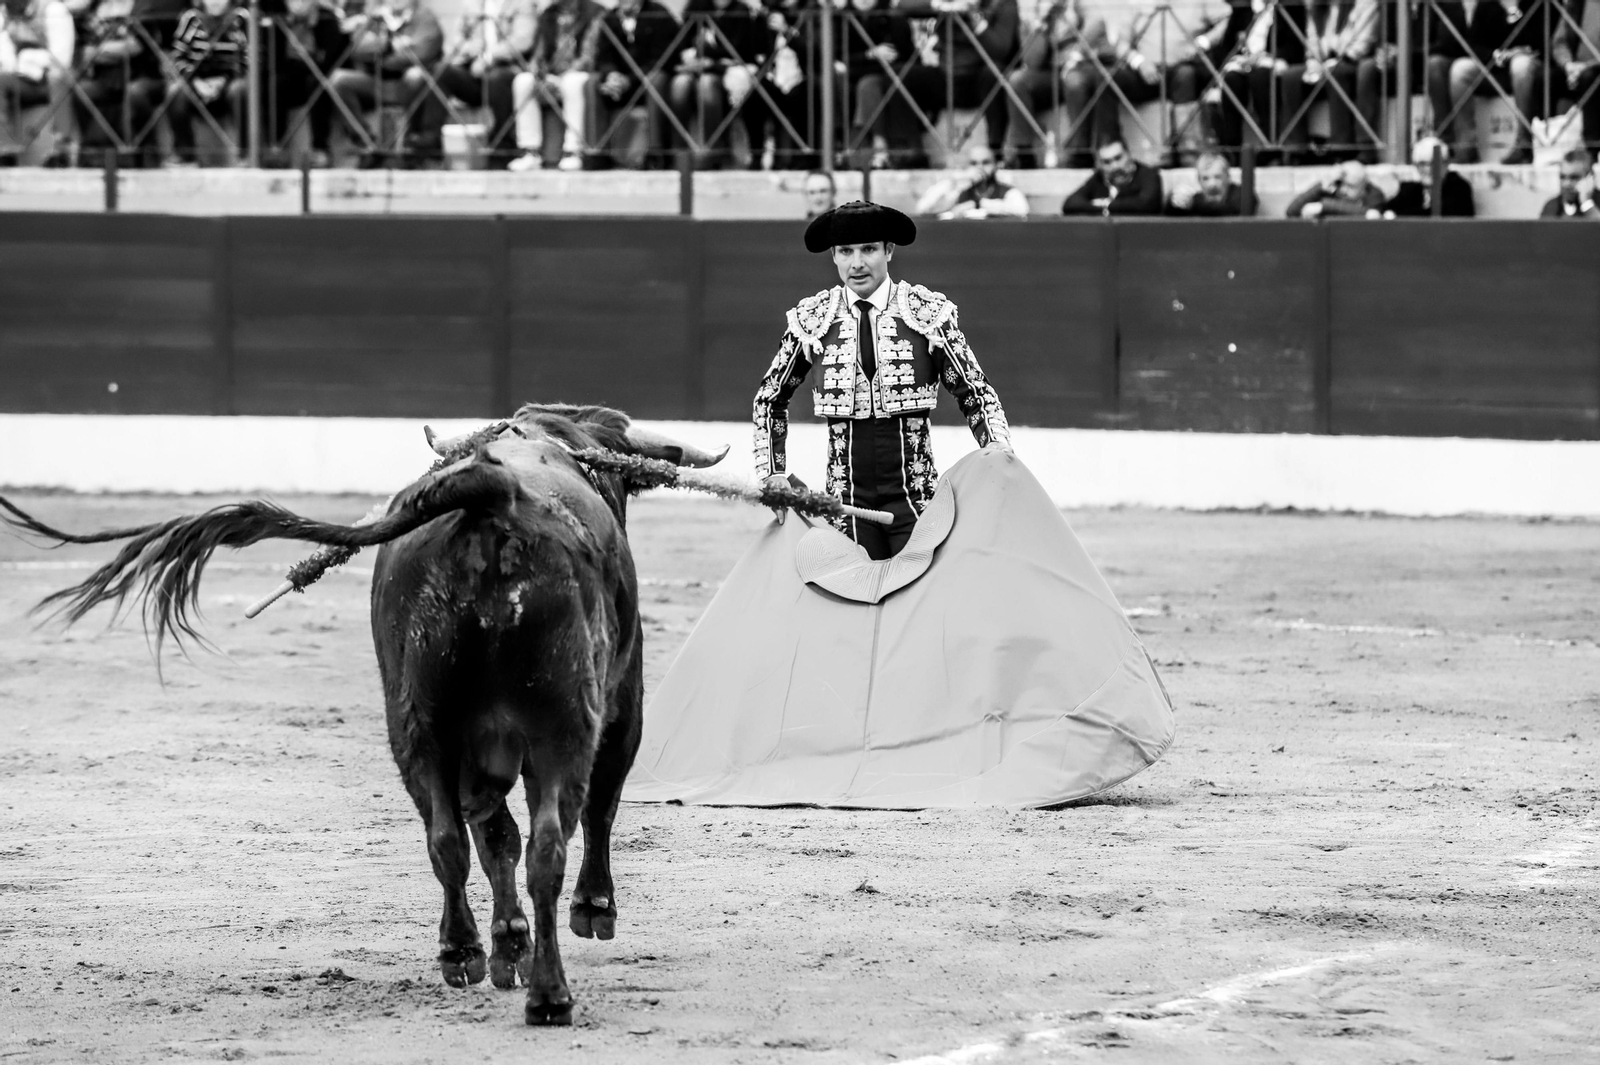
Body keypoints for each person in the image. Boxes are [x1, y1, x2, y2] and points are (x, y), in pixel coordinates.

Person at [752, 201, 1012, 560]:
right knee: (855, 604)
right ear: (833, 256)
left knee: (921, 603)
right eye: (846, 251)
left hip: (916, 498)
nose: (857, 263)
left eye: (869, 249)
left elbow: (974, 392)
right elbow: (770, 398)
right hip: (845, 503)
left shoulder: (925, 314)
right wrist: (772, 473)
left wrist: (997, 445)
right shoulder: (812, 320)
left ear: (889, 251)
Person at [411, 0, 535, 166]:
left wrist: (489, 57)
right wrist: (473, 50)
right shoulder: (472, 4)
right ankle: (430, 142)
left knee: (497, 78)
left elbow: (522, 41)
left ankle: (501, 146)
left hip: (507, 71)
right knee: (441, 71)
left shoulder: (522, 3)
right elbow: (456, 41)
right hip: (473, 70)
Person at [896, 0, 1018, 167]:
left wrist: (972, 15)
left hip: (980, 79)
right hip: (947, 77)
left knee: (994, 73)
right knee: (902, 75)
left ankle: (994, 153)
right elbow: (902, 6)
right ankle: (914, 151)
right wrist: (939, 5)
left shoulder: (1003, 4)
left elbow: (1000, 50)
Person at [1426, 0, 1544, 164]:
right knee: (1460, 69)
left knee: (1521, 65)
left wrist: (1513, 11)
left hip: (1528, 65)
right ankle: (1466, 145)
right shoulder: (1487, 4)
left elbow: (1539, 41)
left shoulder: (1537, 4)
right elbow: (1473, 45)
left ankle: (1523, 144)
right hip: (1495, 65)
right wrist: (1499, 56)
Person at [330, 0, 444, 165]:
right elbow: (357, 48)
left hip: (407, 84)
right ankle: (368, 144)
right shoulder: (377, 17)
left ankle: (413, 145)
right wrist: (389, 44)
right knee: (339, 80)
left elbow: (423, 52)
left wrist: (384, 58)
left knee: (416, 75)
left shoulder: (425, 17)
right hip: (376, 81)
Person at [1212, 0, 1314, 164]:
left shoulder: (1290, 5)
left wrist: (1265, 56)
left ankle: (1270, 145)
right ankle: (1232, 150)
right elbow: (1227, 46)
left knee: (1261, 77)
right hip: (1244, 63)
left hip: (1275, 62)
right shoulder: (1243, 7)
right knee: (1231, 80)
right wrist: (1241, 59)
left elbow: (1295, 46)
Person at [668, 0, 766, 167]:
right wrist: (690, 56)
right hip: (695, 69)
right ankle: (679, 153)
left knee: (707, 86)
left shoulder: (740, 11)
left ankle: (714, 152)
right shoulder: (696, 6)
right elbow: (682, 42)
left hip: (722, 72)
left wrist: (706, 54)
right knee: (679, 85)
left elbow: (737, 50)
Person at [507, 0, 603, 170]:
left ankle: (573, 151)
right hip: (552, 75)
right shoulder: (549, 14)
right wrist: (539, 74)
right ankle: (530, 151)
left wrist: (563, 77)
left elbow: (589, 56)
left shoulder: (594, 12)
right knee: (523, 81)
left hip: (581, 74)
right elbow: (539, 52)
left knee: (572, 83)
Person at [73, 0, 163, 165]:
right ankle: (93, 153)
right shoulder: (95, 9)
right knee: (82, 90)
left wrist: (101, 50)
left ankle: (142, 154)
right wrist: (117, 49)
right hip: (106, 79)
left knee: (135, 92)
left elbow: (136, 47)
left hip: (141, 75)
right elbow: (86, 53)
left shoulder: (142, 7)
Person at [590, 0, 677, 169]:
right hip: (620, 82)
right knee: (591, 84)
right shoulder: (611, 18)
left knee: (656, 79)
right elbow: (603, 56)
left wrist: (629, 80)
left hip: (648, 79)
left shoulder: (658, 14)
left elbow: (662, 58)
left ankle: (655, 154)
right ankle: (597, 152)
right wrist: (612, 75)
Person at [261, 0, 349, 167]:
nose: (298, 4)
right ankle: (277, 147)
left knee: (317, 83)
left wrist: (301, 63)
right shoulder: (279, 21)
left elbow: (327, 62)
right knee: (275, 84)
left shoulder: (326, 20)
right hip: (293, 77)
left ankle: (321, 149)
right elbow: (274, 61)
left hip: (317, 78)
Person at [167, 0, 248, 164]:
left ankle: (246, 153)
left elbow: (249, 58)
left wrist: (223, 81)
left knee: (240, 90)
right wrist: (196, 82)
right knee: (175, 92)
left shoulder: (241, 18)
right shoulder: (190, 18)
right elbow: (177, 57)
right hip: (196, 81)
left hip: (230, 81)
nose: (215, 2)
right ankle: (185, 154)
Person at [0, 0, 73, 163]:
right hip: (25, 79)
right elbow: (6, 60)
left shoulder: (54, 11)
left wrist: (27, 58)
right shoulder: (4, 14)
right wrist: (26, 62)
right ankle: (5, 150)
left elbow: (61, 59)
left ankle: (61, 150)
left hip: (56, 79)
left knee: (57, 77)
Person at [841, 0, 911, 168]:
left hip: (884, 79)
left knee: (868, 86)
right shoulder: (842, 18)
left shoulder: (892, 18)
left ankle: (876, 147)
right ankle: (874, 148)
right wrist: (870, 55)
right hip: (849, 81)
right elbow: (839, 57)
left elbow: (902, 55)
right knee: (863, 87)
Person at [1312, 0, 1381, 162]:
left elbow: (1363, 42)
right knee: (1291, 76)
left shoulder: (1364, 3)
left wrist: (1338, 58)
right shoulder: (1319, 8)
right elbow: (1313, 40)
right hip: (1326, 62)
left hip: (1356, 59)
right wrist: (1314, 60)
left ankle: (1348, 146)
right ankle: (1294, 150)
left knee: (1339, 72)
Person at [915, 143, 1030, 217]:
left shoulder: (1007, 191)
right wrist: (957, 180)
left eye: (986, 163)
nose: (980, 168)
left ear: (995, 166)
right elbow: (923, 209)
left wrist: (978, 204)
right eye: (974, 163)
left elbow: (1022, 210)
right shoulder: (960, 191)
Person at [1372, 135, 1475, 216]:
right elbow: (1386, 209)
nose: (1427, 169)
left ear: (1445, 165)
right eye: (1422, 164)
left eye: (1433, 163)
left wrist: (1396, 215)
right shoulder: (1411, 189)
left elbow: (1442, 213)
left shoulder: (1459, 187)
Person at [1060, 136, 1162, 214]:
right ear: (1099, 165)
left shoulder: (1148, 174)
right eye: (1107, 162)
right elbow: (1070, 204)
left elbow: (1146, 204)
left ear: (1129, 154)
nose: (1115, 166)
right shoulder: (1099, 179)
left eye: (1118, 158)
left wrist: (1105, 204)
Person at [1554, 0, 1600, 155]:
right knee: (1540, 78)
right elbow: (1559, 42)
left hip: (1591, 70)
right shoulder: (1577, 3)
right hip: (1575, 70)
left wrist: (1587, 66)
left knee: (1589, 78)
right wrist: (1568, 65)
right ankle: (1538, 147)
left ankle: (1593, 152)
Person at [1285, 157, 1385, 216]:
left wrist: (1324, 206)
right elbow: (1291, 212)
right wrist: (1320, 186)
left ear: (1363, 185)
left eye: (1351, 186)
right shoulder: (1331, 188)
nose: (1344, 190)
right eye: (1342, 184)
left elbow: (1371, 213)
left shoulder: (1373, 193)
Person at [1165, 150, 1246, 215]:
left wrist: (1193, 204)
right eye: (1205, 178)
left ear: (1228, 177)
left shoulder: (1242, 195)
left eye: (1218, 177)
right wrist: (1174, 201)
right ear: (1198, 180)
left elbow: (1227, 209)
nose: (1212, 184)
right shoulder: (1196, 200)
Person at [1540, 147, 1599, 217]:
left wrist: (1586, 203)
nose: (1566, 184)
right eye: (1562, 177)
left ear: (1591, 177)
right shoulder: (1552, 206)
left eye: (1574, 177)